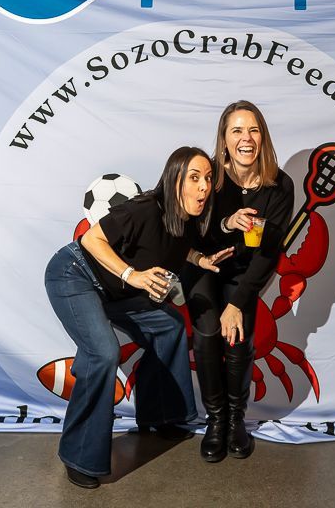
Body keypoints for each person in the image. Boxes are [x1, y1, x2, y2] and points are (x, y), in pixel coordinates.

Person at [44, 147, 233, 488]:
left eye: (207, 179)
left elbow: (177, 246)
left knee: (170, 326)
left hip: (113, 291)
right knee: (102, 353)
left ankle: (161, 416)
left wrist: (200, 260)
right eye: (195, 178)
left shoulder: (188, 219)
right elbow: (91, 239)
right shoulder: (146, 207)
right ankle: (78, 454)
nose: (204, 186)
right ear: (175, 180)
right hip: (74, 274)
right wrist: (133, 275)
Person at [183, 101, 294, 462]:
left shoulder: (280, 185)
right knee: (207, 335)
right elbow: (193, 232)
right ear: (224, 140)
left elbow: (269, 253)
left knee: (240, 339)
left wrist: (237, 303)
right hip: (204, 267)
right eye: (237, 130)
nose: (246, 138)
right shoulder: (209, 176)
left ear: (262, 137)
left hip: (244, 276)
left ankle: (236, 421)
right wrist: (227, 224)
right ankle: (215, 422)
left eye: (253, 130)